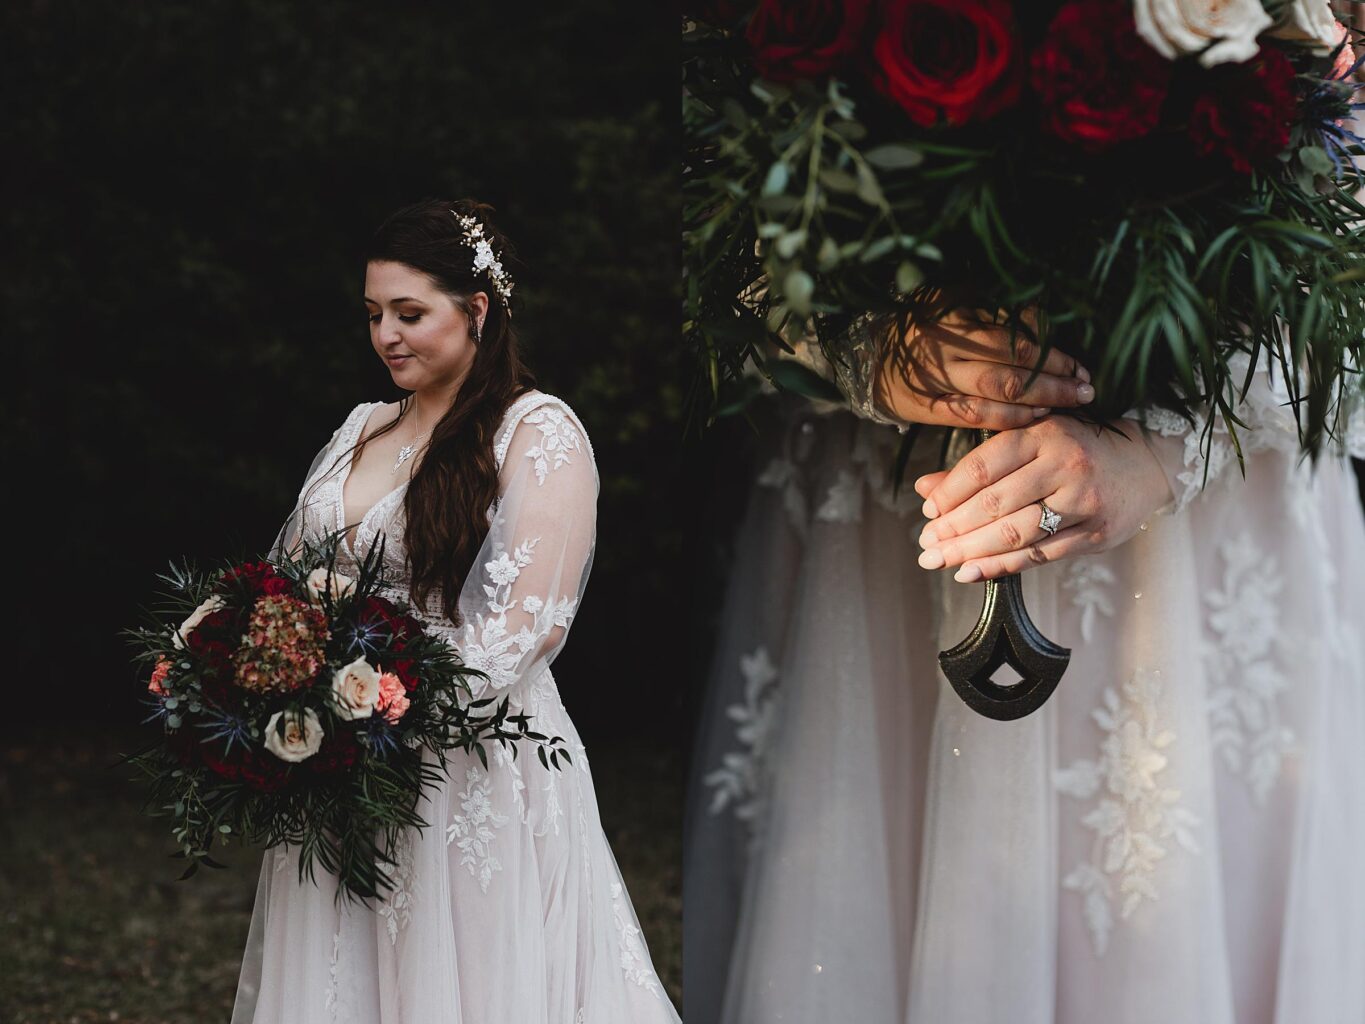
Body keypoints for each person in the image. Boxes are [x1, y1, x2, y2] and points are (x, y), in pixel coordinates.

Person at [685, 273, 1365, 1019]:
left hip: (1203, 520)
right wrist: (860, 347)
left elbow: (1340, 269)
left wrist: (1171, 447)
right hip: (892, 503)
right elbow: (724, 248)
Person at [230, 198, 680, 1024]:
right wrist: (273, 678)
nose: (386, 336)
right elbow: (288, 576)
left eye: (410, 313)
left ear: (476, 310)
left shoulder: (534, 431)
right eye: (373, 316)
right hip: (338, 760)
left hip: (469, 760)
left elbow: (528, 622)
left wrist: (383, 715)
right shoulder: (361, 427)